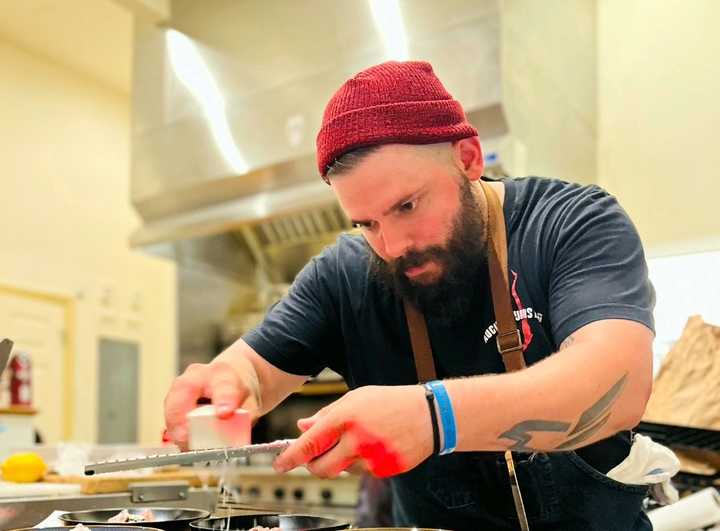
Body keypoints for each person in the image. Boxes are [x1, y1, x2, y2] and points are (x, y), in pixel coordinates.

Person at [164, 61, 655, 530]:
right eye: (367, 224)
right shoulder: (344, 277)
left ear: (468, 158)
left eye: (407, 205)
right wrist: (224, 387)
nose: (393, 247)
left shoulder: (571, 224)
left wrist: (434, 416)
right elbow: (249, 372)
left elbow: (620, 384)